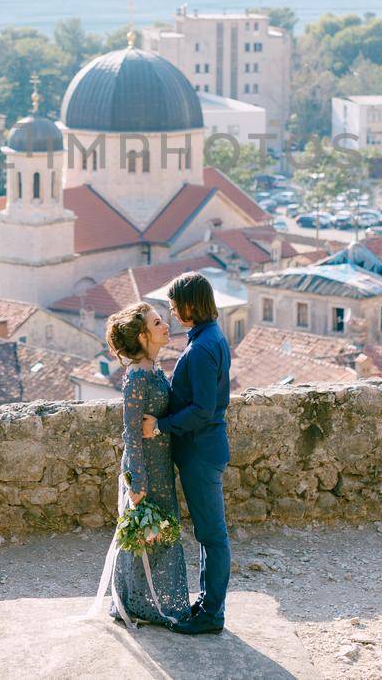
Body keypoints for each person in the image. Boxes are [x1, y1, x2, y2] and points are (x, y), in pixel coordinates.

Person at [94, 302, 192, 628]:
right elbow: (130, 433)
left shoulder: (154, 369)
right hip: (146, 468)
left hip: (161, 464)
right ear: (142, 335)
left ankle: (158, 603)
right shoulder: (137, 377)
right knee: (144, 535)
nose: (166, 326)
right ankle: (141, 604)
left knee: (162, 533)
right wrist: (137, 480)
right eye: (157, 323)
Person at [144, 271, 231, 635]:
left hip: (200, 450)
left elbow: (202, 410)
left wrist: (161, 426)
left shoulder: (201, 349)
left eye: (176, 305)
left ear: (192, 304)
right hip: (205, 448)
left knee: (212, 535)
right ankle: (208, 602)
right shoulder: (210, 338)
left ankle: (212, 614)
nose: (174, 312)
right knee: (207, 534)